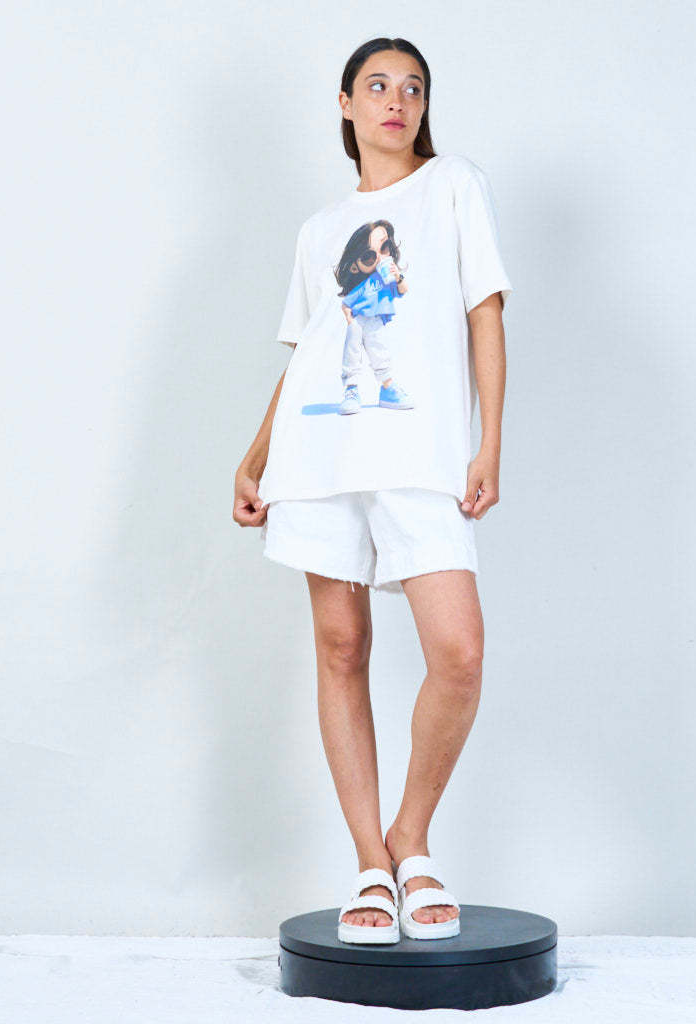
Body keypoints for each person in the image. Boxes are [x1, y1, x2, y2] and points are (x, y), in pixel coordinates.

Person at [233, 37, 513, 944]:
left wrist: (489, 441)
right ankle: (369, 861)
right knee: (341, 645)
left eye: (414, 87)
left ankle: (409, 837)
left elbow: (484, 311)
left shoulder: (453, 186)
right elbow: (308, 352)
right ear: (346, 104)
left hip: (422, 455)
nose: (398, 100)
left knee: (458, 653)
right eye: (379, 85)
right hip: (320, 455)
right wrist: (256, 455)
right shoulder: (320, 230)